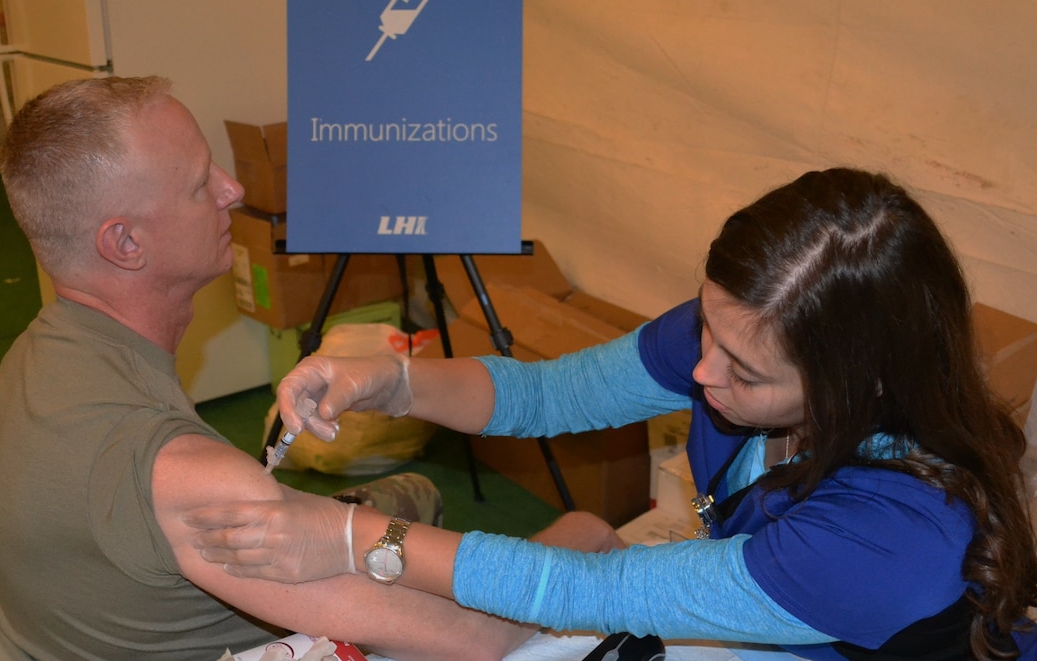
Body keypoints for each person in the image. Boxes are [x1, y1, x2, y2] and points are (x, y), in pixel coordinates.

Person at [188, 168, 1037, 660]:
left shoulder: (890, 531)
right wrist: (391, 383)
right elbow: (550, 395)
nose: (700, 368)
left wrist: (353, 541)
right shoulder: (745, 323)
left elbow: (591, 589)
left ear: (859, 386)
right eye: (708, 327)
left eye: (742, 369)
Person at [0, 76, 612, 661]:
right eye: (200, 184)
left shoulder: (35, 358)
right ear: (125, 243)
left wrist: (390, 387)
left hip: (54, 627)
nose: (233, 189)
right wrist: (583, 541)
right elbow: (477, 638)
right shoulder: (189, 478)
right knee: (580, 534)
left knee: (416, 492)